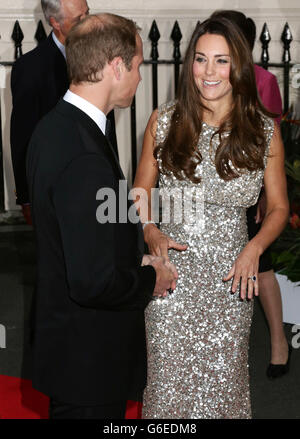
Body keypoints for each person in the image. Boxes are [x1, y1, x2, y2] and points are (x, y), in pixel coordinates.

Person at [133, 16, 289, 418]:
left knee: (224, 387)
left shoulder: (262, 131)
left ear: (238, 66)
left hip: (230, 278)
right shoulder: (164, 121)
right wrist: (150, 230)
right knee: (166, 388)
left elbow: (279, 208)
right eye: (201, 60)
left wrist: (254, 249)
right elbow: (139, 191)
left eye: (221, 61)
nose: (209, 72)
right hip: (171, 279)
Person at [26, 13, 177, 420]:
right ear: (116, 66)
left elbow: (79, 238)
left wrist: (134, 257)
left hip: (71, 345)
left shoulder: (54, 127)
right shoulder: (83, 154)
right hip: (88, 360)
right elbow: (92, 282)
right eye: (139, 65)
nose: (141, 77)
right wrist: (152, 277)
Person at [211, 10, 290, 380]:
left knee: (264, 265)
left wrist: (263, 195)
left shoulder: (263, 80)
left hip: (250, 188)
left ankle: (278, 342)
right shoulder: (205, 76)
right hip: (212, 191)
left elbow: (272, 138)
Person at [10, 0, 118, 225]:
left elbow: (106, 128)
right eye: (79, 19)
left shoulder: (102, 60)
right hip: (56, 192)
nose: (88, 22)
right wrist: (27, 198)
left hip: (100, 188)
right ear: (54, 22)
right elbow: (22, 138)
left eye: (88, 13)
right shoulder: (30, 69)